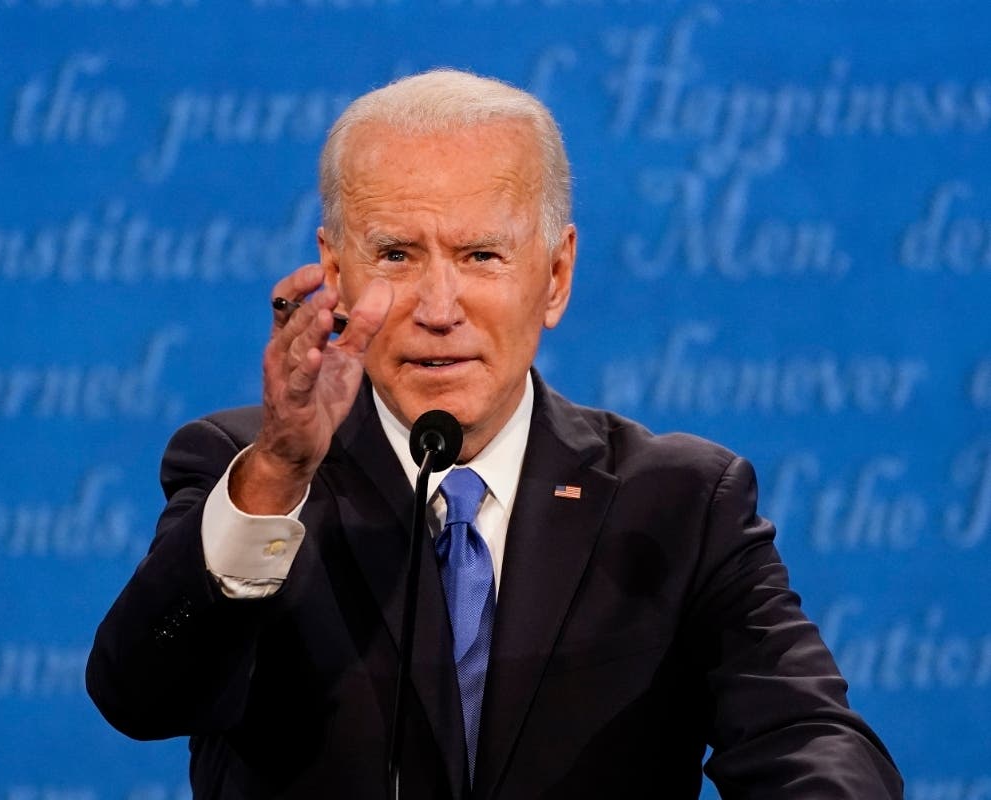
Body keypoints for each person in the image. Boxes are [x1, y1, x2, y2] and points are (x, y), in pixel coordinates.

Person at [87, 69, 903, 799]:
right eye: (397, 255)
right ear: (335, 275)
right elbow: (143, 699)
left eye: (481, 255)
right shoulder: (246, 475)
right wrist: (277, 472)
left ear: (555, 276)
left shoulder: (679, 504)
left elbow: (805, 734)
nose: (439, 308)